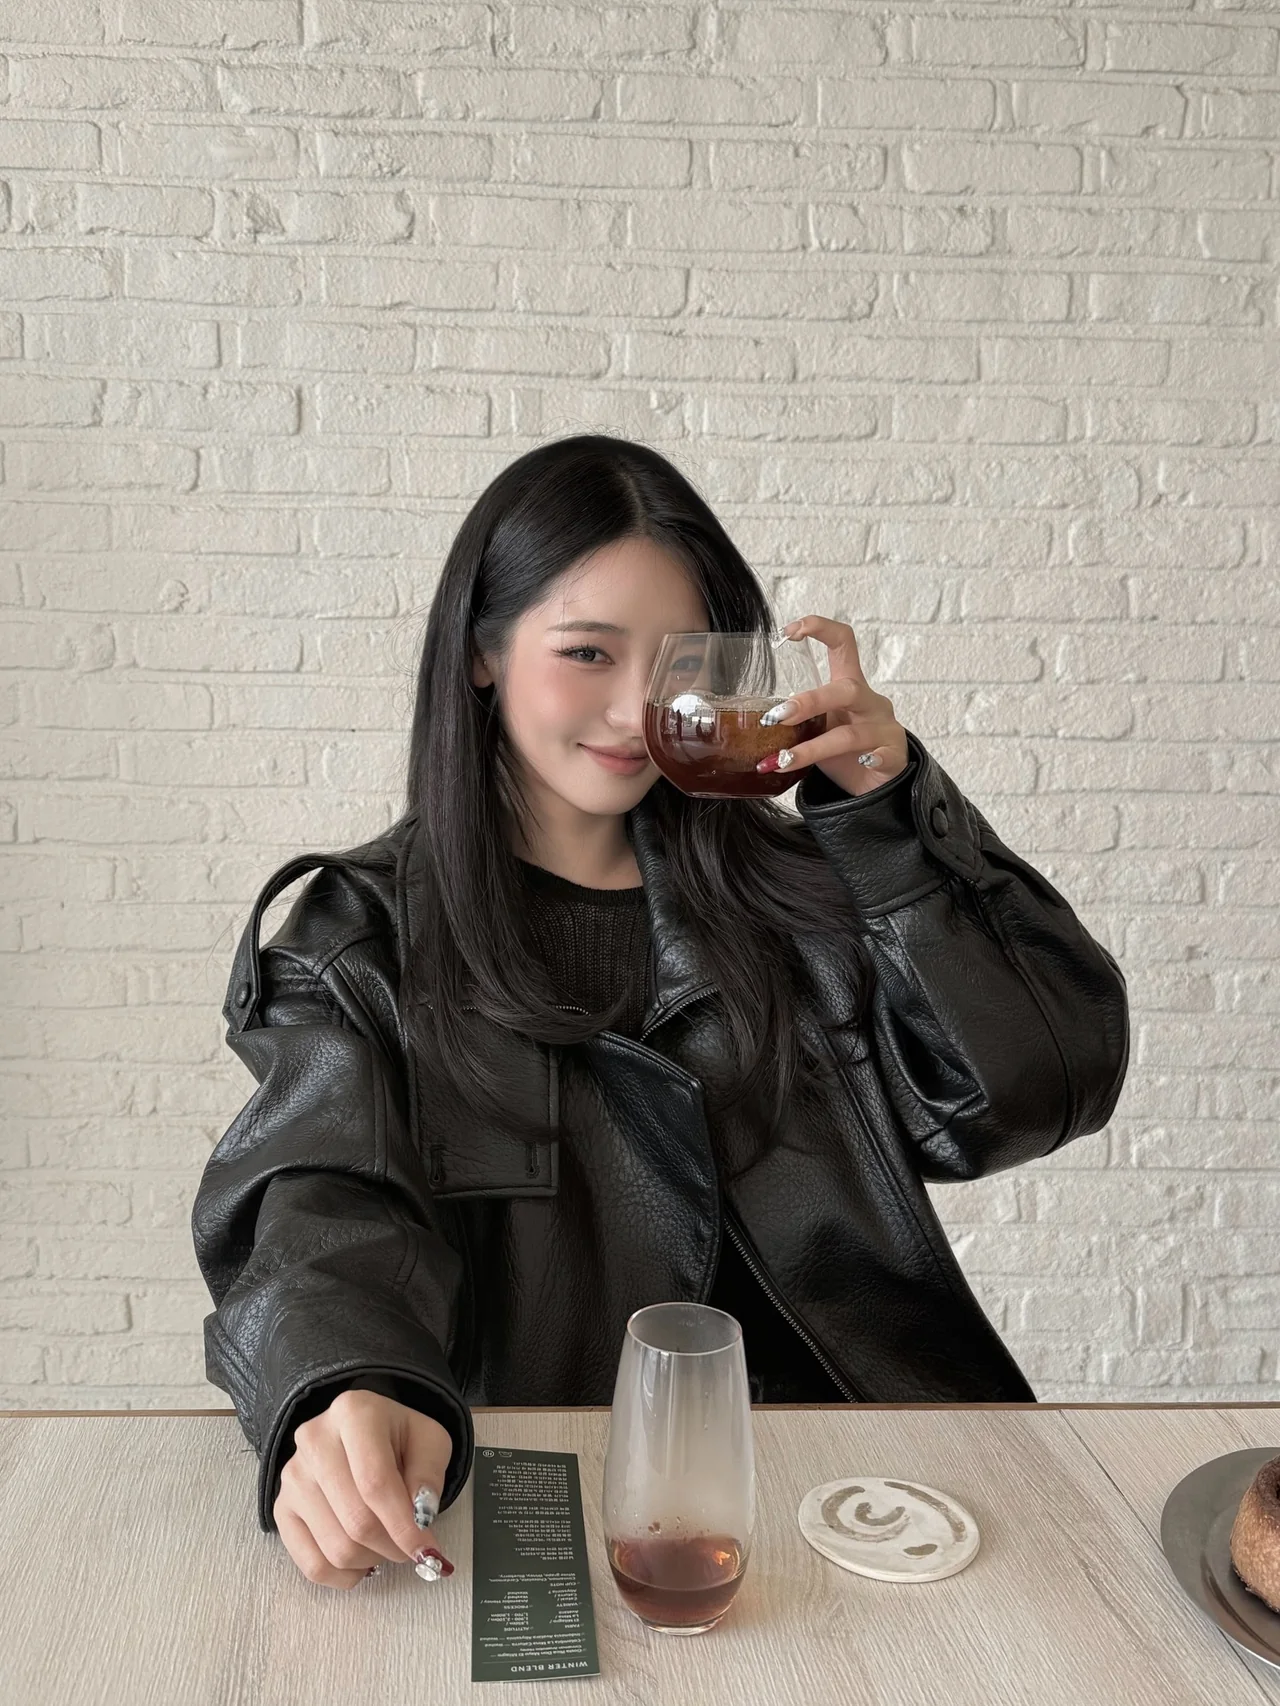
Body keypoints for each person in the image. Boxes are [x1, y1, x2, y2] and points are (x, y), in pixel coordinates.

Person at [192, 434, 1130, 1591]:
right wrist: (344, 1376)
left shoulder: (804, 900)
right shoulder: (358, 939)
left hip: (862, 1493)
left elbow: (1035, 1087)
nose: (637, 708)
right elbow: (317, 1199)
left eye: (678, 659)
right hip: (560, 1508)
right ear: (481, 651)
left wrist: (893, 818)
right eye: (586, 650)